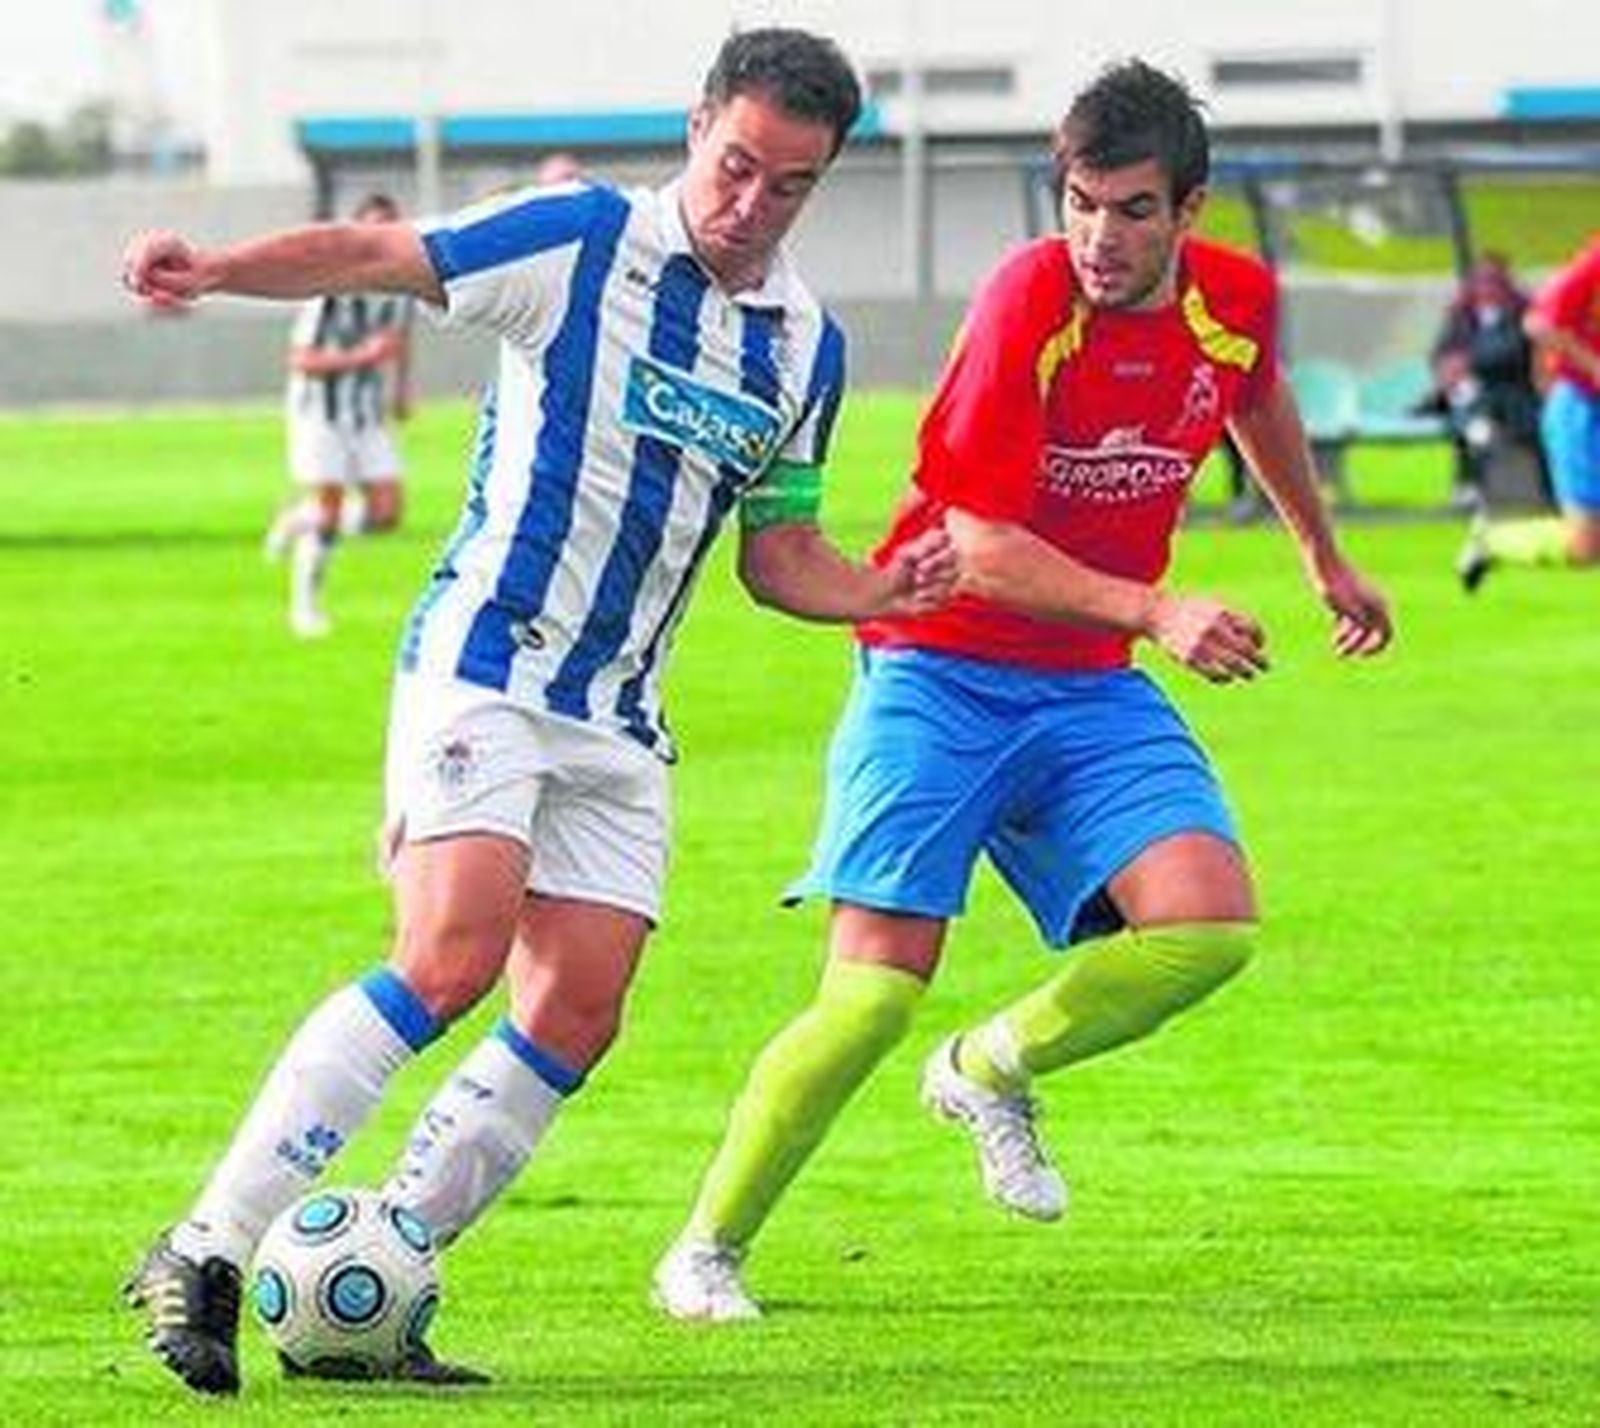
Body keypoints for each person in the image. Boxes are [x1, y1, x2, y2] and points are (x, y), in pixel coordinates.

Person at [120, 27, 956, 1396]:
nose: (751, 205)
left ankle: (379, 1282)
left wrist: (884, 589)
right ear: (698, 128)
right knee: (451, 955)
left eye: (790, 185)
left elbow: (777, 554)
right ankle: (205, 1248)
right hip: (490, 663)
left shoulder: (807, 348)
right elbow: (377, 258)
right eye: (737, 166)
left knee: (578, 1008)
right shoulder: (577, 242)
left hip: (621, 720)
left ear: (824, 180)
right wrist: (218, 271)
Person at [652, 58, 1393, 1324]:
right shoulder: (1026, 300)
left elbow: (1252, 390)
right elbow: (979, 539)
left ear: (1189, 211)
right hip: (935, 668)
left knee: (1207, 925)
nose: (1099, 238)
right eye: (1080, 203)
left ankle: (989, 1066)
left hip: (1085, 687)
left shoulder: (1234, 300)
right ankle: (705, 1250)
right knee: (872, 994)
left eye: (1132, 210)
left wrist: (1321, 555)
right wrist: (1163, 609)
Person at [262, 191, 416, 638]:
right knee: (329, 515)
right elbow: (300, 360)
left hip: (366, 412)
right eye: (373, 227)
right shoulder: (329, 293)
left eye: (390, 226)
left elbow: (399, 342)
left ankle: (300, 517)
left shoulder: (402, 286)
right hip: (319, 412)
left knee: (388, 513)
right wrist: (362, 357)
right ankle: (304, 607)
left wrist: (401, 389)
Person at [1457, 234, 1600, 591]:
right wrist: (1594, 367)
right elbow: (1541, 322)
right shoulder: (1593, 263)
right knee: (1585, 546)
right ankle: (1490, 541)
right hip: (1583, 409)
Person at [1420, 251, 1545, 512]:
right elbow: (1440, 351)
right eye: (1481, 280)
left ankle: (1548, 494)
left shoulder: (1523, 313)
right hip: (1467, 394)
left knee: (1478, 409)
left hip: (1512, 394)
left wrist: (1468, 362)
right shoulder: (1461, 315)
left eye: (1493, 280)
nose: (1487, 286)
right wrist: (1448, 367)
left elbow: (1512, 352)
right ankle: (1469, 484)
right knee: (1466, 407)